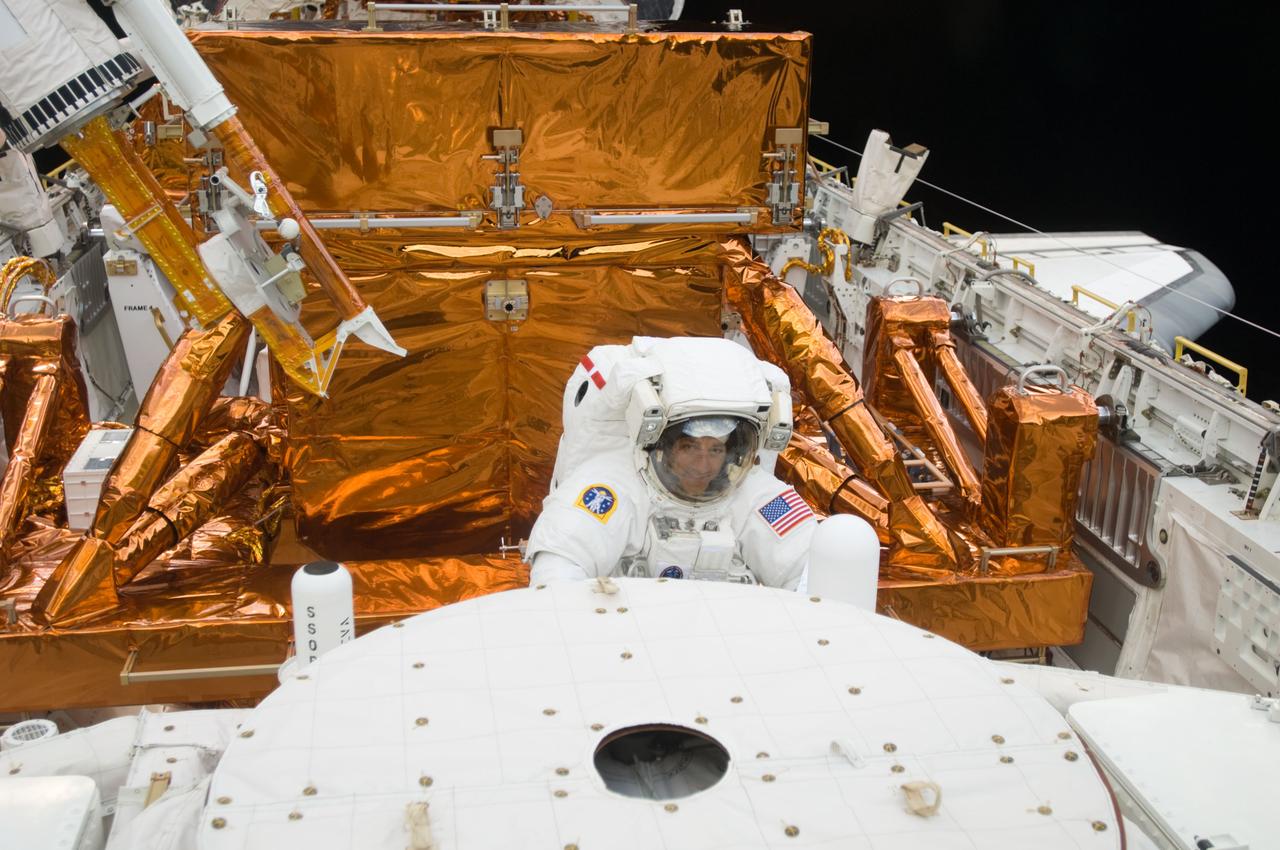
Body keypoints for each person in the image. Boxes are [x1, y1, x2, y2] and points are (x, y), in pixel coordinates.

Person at [525, 336, 818, 588]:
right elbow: (561, 563)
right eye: (689, 447)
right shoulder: (613, 487)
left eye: (715, 450)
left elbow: (811, 570)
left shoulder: (758, 496)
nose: (703, 465)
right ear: (661, 447)